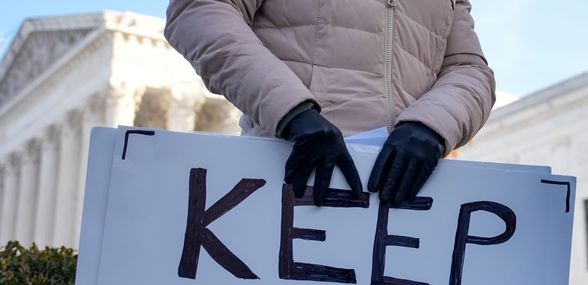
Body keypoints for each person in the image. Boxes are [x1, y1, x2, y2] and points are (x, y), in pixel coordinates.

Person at [164, 0, 495, 207]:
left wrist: (432, 125)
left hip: (401, 203)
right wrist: (293, 111)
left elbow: (470, 70)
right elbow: (200, 10)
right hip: (287, 176)